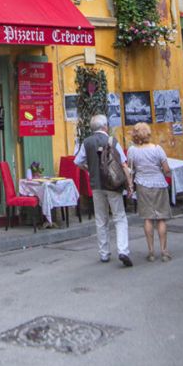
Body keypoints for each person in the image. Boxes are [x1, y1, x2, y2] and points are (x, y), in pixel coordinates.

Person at [75, 113, 134, 267]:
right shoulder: (112, 141)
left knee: (101, 219)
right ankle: (123, 250)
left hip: (96, 185)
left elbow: (78, 161)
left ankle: (104, 253)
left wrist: (89, 169)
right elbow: (123, 164)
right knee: (119, 217)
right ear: (104, 126)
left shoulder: (86, 142)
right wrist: (129, 184)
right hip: (113, 185)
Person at [127, 122, 172, 262]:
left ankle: (151, 251)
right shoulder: (157, 149)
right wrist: (166, 174)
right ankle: (164, 251)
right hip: (159, 183)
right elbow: (166, 169)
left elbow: (130, 170)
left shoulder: (132, 151)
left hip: (142, 185)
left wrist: (130, 186)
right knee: (161, 218)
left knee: (147, 218)